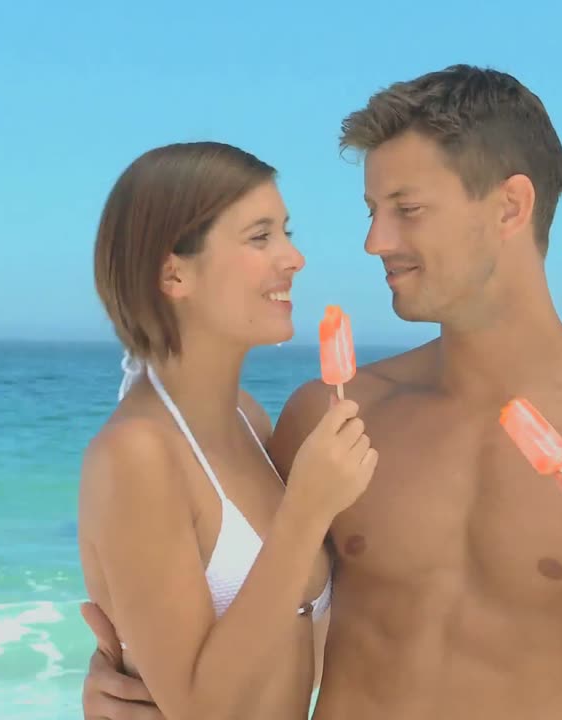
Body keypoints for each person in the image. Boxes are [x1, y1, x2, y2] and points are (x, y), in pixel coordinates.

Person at [81, 65, 562, 720]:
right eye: (373, 212)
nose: (375, 242)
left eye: (408, 210)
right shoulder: (334, 415)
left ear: (510, 207)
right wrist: (129, 679)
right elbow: (255, 618)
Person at [78, 141, 379, 720]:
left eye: (286, 233)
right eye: (260, 237)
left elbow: (295, 654)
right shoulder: (136, 455)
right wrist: (307, 511)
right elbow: (200, 708)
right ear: (174, 273)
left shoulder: (248, 419)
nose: (294, 258)